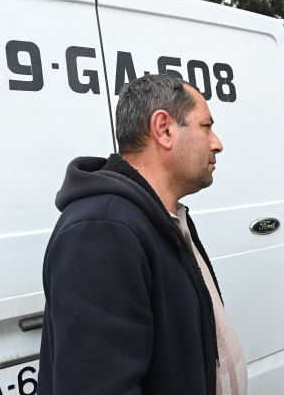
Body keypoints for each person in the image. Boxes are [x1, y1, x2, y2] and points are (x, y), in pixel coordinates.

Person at [38, 74, 247, 394]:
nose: (217, 142)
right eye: (206, 126)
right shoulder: (101, 231)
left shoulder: (163, 217)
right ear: (164, 129)